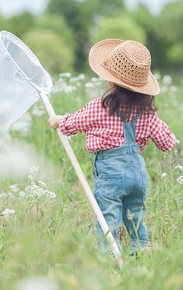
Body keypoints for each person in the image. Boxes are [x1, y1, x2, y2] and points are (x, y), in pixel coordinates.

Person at [48, 39, 176, 256]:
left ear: (111, 82)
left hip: (111, 175)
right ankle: (141, 250)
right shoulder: (148, 114)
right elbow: (167, 143)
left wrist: (58, 120)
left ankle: (109, 258)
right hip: (138, 175)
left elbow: (71, 125)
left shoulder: (99, 108)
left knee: (108, 217)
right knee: (135, 216)